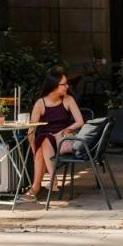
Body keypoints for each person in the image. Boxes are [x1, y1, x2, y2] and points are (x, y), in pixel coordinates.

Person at [26, 69, 85, 201]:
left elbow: (80, 122)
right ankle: (50, 181)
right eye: (63, 84)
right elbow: (32, 130)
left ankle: (37, 186)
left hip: (63, 139)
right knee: (43, 142)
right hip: (46, 139)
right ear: (54, 86)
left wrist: (65, 130)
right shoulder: (40, 103)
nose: (67, 86)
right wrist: (33, 149)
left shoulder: (68, 100)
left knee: (44, 141)